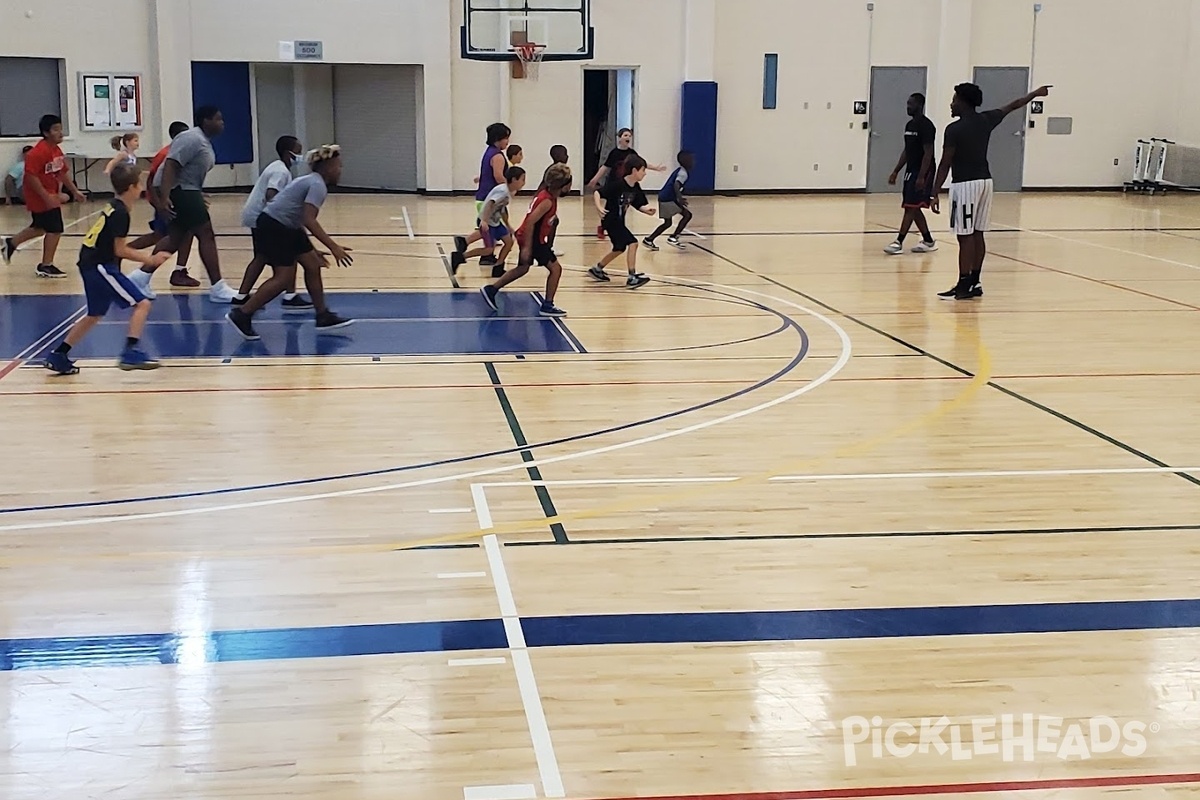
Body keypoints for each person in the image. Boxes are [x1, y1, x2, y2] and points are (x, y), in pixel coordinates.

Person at [43, 163, 172, 375]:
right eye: (139, 183)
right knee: (142, 304)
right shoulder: (121, 213)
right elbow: (120, 249)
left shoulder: (114, 206)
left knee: (94, 314)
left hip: (92, 263)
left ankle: (59, 355)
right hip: (99, 266)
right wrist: (150, 259)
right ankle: (130, 352)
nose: (141, 187)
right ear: (131, 187)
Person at [930, 83, 1051, 300]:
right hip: (985, 182)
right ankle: (975, 282)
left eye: (954, 99)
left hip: (965, 184)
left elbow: (945, 163)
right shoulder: (986, 119)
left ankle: (963, 284)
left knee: (964, 236)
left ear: (963, 102)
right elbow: (1013, 105)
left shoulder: (953, 129)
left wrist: (934, 191)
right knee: (978, 233)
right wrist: (1034, 94)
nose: (951, 103)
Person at [225, 144, 354, 340]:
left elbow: (297, 217)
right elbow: (309, 219)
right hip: (275, 226)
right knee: (283, 278)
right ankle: (242, 314)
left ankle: (322, 315)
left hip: (286, 226)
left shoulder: (312, 181)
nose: (341, 170)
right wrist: (333, 247)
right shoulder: (317, 185)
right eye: (338, 166)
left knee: (312, 264)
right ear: (327, 168)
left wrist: (311, 248)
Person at [127, 105, 238, 303]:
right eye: (218, 119)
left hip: (188, 190)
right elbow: (171, 165)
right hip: (181, 191)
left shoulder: (203, 141)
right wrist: (165, 197)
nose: (222, 123)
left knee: (174, 238)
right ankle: (218, 287)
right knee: (206, 234)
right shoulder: (191, 138)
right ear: (206, 121)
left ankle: (140, 277)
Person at [480, 164, 570, 318]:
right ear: (563, 186)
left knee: (523, 268)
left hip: (529, 236)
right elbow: (530, 222)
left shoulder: (546, 195)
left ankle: (492, 289)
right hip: (533, 239)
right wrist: (527, 247)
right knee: (556, 269)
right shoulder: (547, 201)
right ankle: (547, 305)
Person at [233, 135, 312, 309]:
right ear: (288, 153)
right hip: (263, 218)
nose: (300, 155)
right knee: (287, 256)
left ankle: (241, 296)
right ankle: (289, 296)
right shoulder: (281, 171)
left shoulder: (278, 167)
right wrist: (280, 217)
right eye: (298, 152)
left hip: (257, 216)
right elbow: (271, 194)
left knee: (262, 256)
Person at [3, 115, 87, 278]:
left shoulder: (56, 151)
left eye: (60, 129)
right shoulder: (38, 153)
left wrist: (75, 191)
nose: (60, 133)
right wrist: (46, 197)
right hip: (40, 196)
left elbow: (62, 173)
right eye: (56, 129)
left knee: (40, 227)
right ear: (46, 133)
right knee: (55, 229)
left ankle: (10, 243)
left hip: (50, 194)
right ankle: (45, 265)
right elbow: (30, 177)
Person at [127, 121, 197, 288]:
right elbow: (152, 181)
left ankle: (123, 252)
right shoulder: (166, 154)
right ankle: (139, 265)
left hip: (174, 198)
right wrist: (160, 204)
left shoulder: (181, 152)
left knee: (165, 234)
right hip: (165, 201)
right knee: (176, 235)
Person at [585, 128, 666, 240]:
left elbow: (642, 163)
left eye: (629, 135)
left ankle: (616, 226)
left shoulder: (632, 153)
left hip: (627, 184)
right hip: (615, 184)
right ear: (619, 138)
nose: (628, 137)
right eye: (625, 135)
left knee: (623, 206)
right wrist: (595, 179)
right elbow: (605, 167)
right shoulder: (614, 153)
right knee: (611, 207)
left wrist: (655, 168)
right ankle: (604, 227)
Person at [589, 155, 654, 288]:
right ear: (635, 171)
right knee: (633, 243)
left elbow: (638, 203)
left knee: (619, 248)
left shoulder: (635, 187)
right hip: (611, 220)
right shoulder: (618, 184)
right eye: (643, 170)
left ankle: (597, 269)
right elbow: (598, 193)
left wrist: (647, 210)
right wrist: (599, 207)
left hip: (618, 221)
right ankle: (632, 277)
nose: (645, 173)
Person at [884, 93, 938, 255]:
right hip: (911, 170)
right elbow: (907, 151)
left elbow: (928, 153)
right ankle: (928, 240)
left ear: (920, 105)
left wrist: (922, 176)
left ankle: (898, 242)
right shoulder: (909, 125)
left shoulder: (927, 126)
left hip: (923, 169)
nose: (908, 106)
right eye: (907, 103)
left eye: (911, 104)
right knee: (912, 206)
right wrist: (896, 170)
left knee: (910, 207)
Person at [451, 166, 525, 277]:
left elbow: (502, 209)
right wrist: (484, 221)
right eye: (523, 179)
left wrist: (508, 225)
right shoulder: (503, 191)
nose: (524, 183)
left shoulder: (509, 192)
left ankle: (498, 267)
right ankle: (460, 257)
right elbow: (490, 203)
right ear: (514, 179)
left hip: (495, 222)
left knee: (509, 242)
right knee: (488, 250)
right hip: (487, 222)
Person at [473, 123, 511, 268]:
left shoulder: (489, 151)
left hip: (483, 197)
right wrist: (509, 189)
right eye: (506, 138)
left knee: (492, 227)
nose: (508, 141)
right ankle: (466, 246)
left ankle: (487, 256)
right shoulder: (497, 155)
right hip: (489, 199)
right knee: (492, 227)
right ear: (498, 138)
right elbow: (498, 176)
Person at [643, 150, 695, 251]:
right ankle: (673, 237)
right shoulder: (683, 173)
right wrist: (679, 199)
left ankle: (649, 240)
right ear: (685, 161)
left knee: (667, 223)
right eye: (691, 159)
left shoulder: (680, 170)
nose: (693, 162)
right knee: (687, 215)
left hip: (665, 196)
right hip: (668, 198)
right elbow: (676, 185)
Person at [541, 145, 569, 256]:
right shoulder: (556, 170)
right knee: (550, 223)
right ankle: (546, 248)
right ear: (557, 156)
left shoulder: (554, 168)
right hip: (545, 200)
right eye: (565, 154)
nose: (567, 156)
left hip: (549, 200)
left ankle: (548, 247)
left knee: (554, 222)